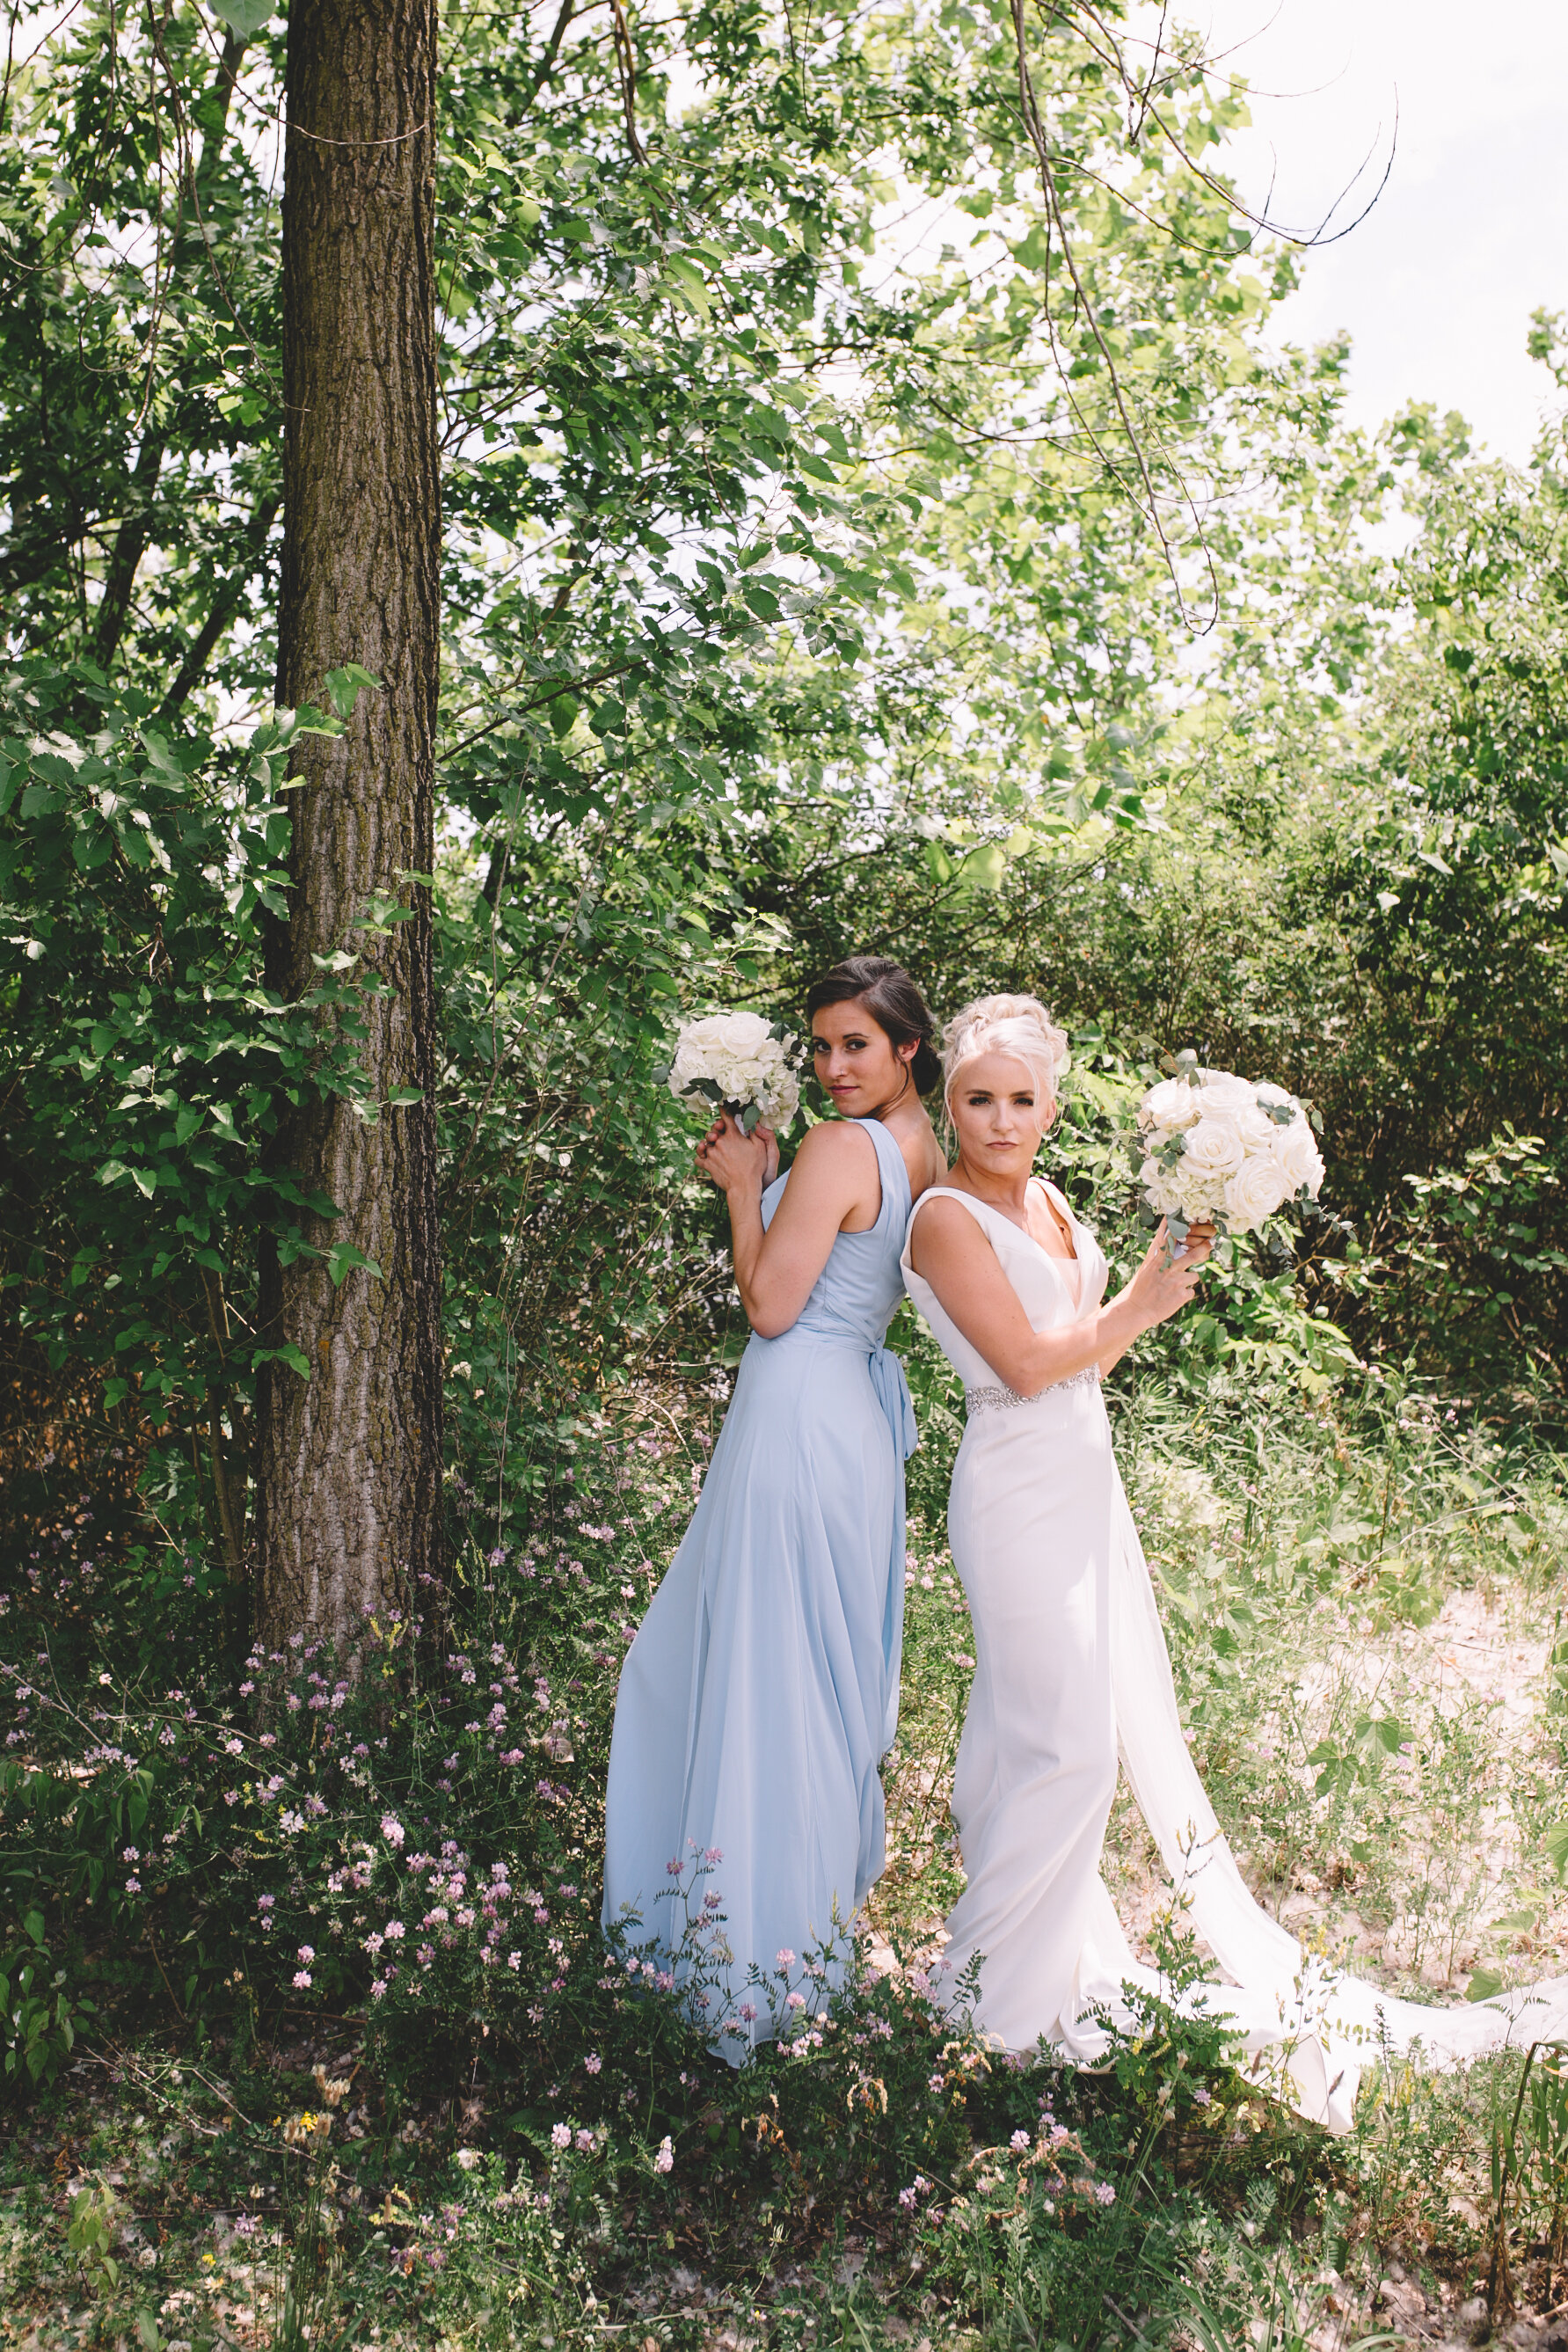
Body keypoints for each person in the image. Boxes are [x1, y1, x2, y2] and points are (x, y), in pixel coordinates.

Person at [902, 993, 1568, 2131]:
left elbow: (1084, 1352)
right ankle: (994, 2007)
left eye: (1021, 1098)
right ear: (947, 1103)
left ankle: (1013, 1967)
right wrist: (1146, 1305)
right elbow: (1020, 1364)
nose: (1000, 1119)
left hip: (1078, 1472)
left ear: (1051, 1104)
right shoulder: (940, 1217)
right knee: (1067, 1747)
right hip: (1010, 1485)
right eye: (977, 1098)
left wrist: (1159, 1268)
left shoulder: (1051, 1200)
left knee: (1036, 1728)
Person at [603, 956, 948, 2053]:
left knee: (745, 1671)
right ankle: (795, 1952)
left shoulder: (840, 1146)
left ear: (906, 1046)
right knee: (804, 1678)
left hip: (795, 1410)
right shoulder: (920, 1145)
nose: (835, 1066)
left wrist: (742, 1192)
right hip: (849, 1418)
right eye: (821, 1045)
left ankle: (734, 1972)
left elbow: (766, 1305)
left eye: (858, 1043)